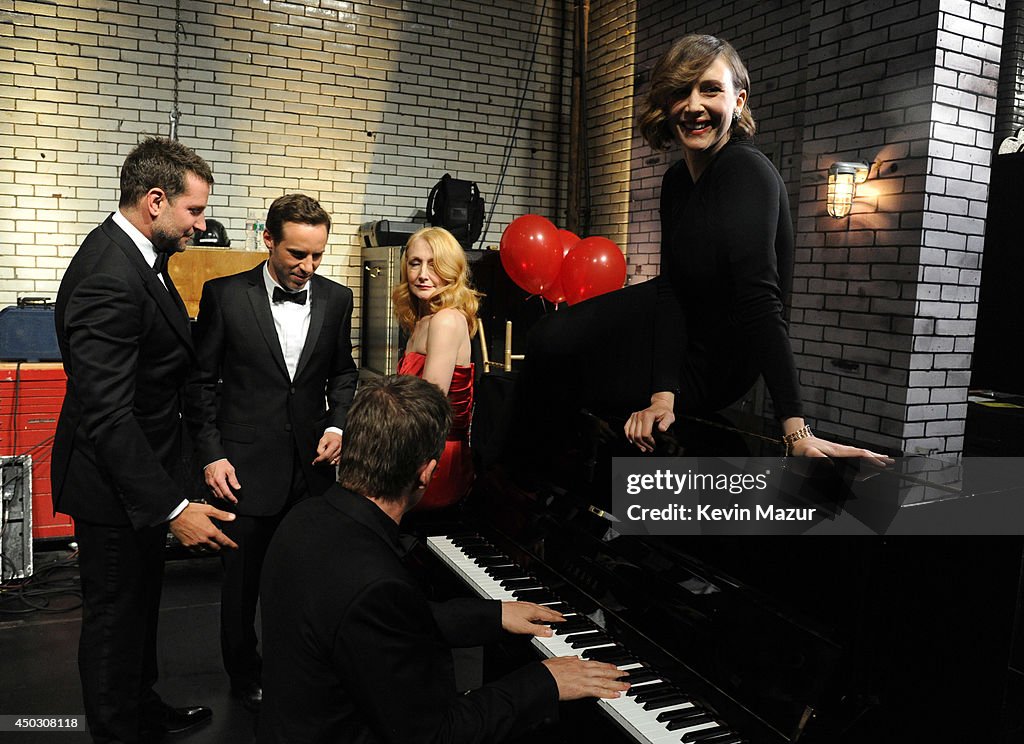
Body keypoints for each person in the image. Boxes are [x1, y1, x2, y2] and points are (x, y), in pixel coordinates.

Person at [513, 35, 888, 468]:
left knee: (560, 356)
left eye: (710, 89)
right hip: (682, 332)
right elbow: (672, 290)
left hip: (719, 362)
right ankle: (545, 497)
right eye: (680, 92)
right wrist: (661, 394)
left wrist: (795, 430)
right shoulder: (675, 181)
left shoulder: (745, 172)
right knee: (547, 339)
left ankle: (536, 493)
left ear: (739, 100)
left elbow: (761, 301)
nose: (693, 105)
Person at [257, 375, 629, 744]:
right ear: (426, 473)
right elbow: (437, 733)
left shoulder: (303, 518)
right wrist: (543, 681)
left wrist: (492, 615)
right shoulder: (376, 582)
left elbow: (376, 624)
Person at [52, 136, 238, 744]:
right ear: (155, 201)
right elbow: (107, 416)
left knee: (139, 612)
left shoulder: (141, 259)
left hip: (144, 482)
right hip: (114, 491)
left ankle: (143, 709)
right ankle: (116, 729)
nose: (201, 225)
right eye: (195, 211)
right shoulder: (109, 274)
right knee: (113, 624)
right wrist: (174, 508)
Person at [185, 193, 358, 711]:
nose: (308, 267)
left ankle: (306, 667)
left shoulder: (337, 298)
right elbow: (200, 385)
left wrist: (339, 425)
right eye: (296, 255)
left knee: (308, 579)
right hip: (241, 469)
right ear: (268, 241)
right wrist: (211, 454)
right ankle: (244, 673)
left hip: (312, 469)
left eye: (317, 256)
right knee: (241, 586)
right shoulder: (224, 295)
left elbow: (343, 373)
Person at [392, 226, 482, 509]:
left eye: (434, 265)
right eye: (415, 263)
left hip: (435, 460)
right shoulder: (422, 321)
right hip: (415, 452)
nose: (422, 274)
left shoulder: (445, 320)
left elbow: (428, 410)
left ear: (451, 269)